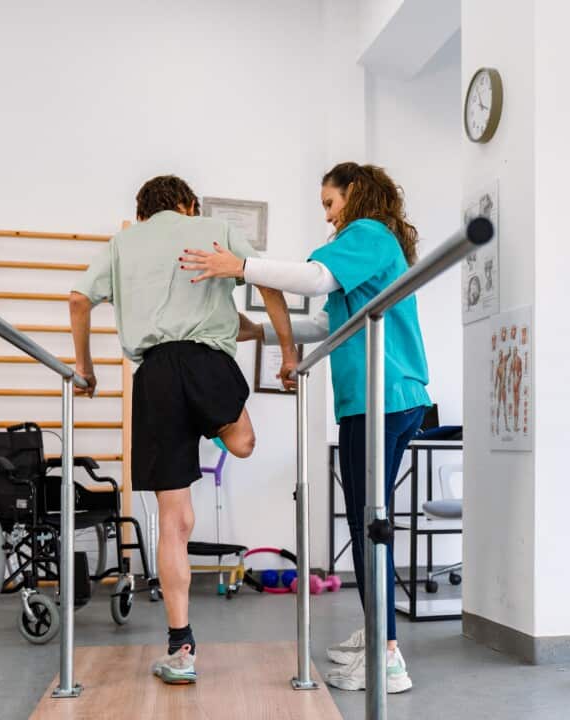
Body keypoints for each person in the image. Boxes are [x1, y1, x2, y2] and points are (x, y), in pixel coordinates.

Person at [178, 161, 429, 694]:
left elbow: (314, 280)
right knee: (369, 523)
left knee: (369, 526)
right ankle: (378, 633)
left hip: (382, 398)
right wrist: (259, 330)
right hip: (386, 398)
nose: (328, 215)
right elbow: (325, 322)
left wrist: (241, 266)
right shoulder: (374, 245)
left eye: (329, 203)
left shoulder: (368, 233)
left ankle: (389, 658)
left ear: (355, 194)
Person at [69, 174, 298, 685]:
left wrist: (85, 368)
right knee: (243, 443)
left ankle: (181, 649)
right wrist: (286, 352)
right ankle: (210, 422)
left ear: (144, 211)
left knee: (175, 522)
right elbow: (267, 279)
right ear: (188, 205)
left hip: (153, 376)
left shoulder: (123, 243)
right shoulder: (211, 227)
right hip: (206, 362)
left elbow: (79, 300)